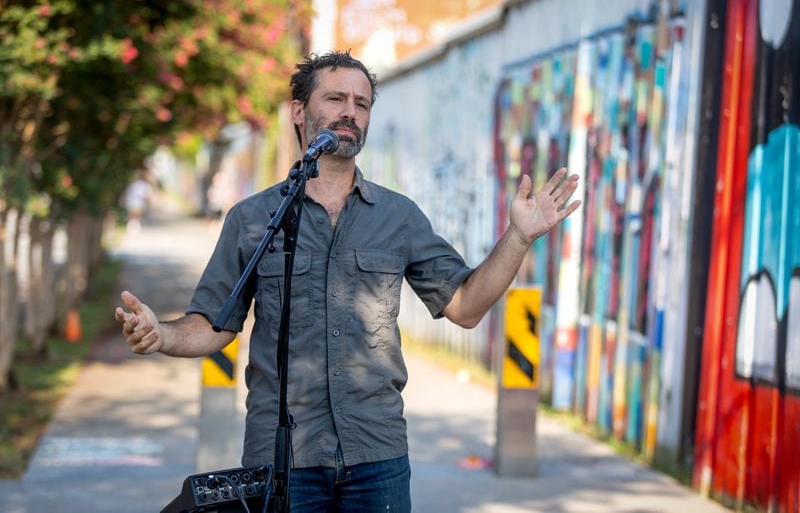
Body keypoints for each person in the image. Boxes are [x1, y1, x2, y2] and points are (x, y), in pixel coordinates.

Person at [114, 51, 581, 512]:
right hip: (284, 461)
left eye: (361, 103)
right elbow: (214, 325)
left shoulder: (398, 216)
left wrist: (518, 237)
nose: (349, 112)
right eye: (336, 98)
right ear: (299, 111)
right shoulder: (254, 218)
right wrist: (163, 335)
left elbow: (465, 306)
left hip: (376, 457)